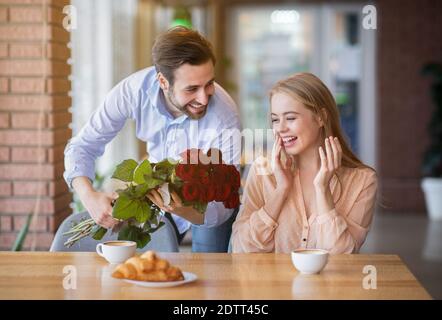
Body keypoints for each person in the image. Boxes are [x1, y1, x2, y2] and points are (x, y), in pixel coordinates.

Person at [64, 26, 241, 245]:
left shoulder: (224, 117)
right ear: (163, 82)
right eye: (191, 89)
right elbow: (82, 146)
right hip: (157, 195)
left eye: (209, 84)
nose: (204, 99)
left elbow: (224, 204)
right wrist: (89, 196)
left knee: (211, 271)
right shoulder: (132, 92)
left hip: (207, 203)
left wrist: (183, 209)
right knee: (148, 267)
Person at [231, 73, 377, 254]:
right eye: (275, 119)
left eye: (290, 118)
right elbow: (241, 248)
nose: (281, 128)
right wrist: (281, 191)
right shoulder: (262, 171)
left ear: (321, 117)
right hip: (270, 283)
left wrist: (323, 191)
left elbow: (342, 257)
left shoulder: (362, 181)